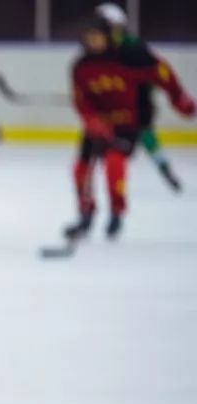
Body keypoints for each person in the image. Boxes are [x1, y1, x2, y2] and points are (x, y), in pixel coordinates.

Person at [64, 22, 194, 242]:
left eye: (97, 37)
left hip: (126, 125)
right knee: (81, 169)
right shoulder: (80, 67)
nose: (93, 42)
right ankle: (85, 213)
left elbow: (161, 72)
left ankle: (116, 212)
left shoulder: (129, 58)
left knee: (114, 164)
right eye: (89, 37)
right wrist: (91, 120)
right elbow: (81, 101)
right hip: (96, 127)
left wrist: (178, 97)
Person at [95, 2, 184, 191]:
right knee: (116, 142)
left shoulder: (134, 47)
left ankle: (164, 169)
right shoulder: (102, 48)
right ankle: (115, 179)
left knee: (145, 136)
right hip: (119, 106)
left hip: (138, 104)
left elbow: (155, 72)